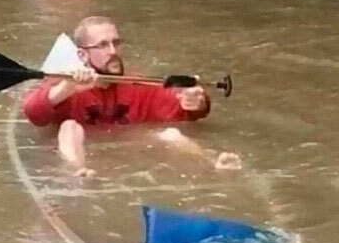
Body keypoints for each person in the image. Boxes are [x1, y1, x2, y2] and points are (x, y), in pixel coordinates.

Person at [23, 16, 210, 173]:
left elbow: (187, 111)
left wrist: (197, 102)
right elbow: (34, 114)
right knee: (69, 127)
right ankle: (77, 174)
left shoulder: (137, 84)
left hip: (126, 151)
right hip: (81, 148)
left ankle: (213, 161)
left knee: (171, 134)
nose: (112, 51)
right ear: (82, 55)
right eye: (103, 45)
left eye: (116, 43)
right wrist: (68, 88)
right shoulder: (65, 82)